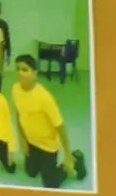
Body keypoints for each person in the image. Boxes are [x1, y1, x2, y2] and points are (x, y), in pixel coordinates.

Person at [11, 55, 71, 188]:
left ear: (34, 73)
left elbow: (60, 126)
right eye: (18, 69)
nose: (20, 73)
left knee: (50, 183)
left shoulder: (44, 98)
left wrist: (67, 154)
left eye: (25, 69)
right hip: (31, 143)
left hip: (48, 147)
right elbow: (19, 114)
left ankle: (75, 161)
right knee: (31, 173)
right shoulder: (15, 89)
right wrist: (22, 140)